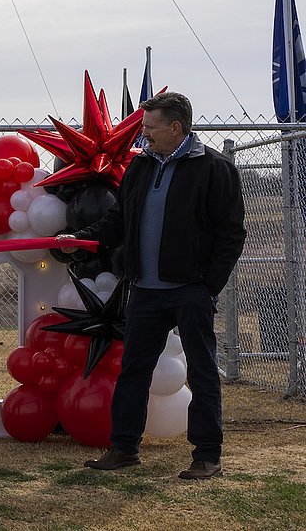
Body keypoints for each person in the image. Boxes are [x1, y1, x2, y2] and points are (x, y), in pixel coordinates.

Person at [64, 92, 245, 480]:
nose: (142, 134)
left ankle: (207, 455)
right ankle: (124, 447)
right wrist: (79, 238)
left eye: (149, 127)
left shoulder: (214, 169)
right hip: (144, 290)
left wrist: (207, 285)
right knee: (134, 370)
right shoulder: (141, 167)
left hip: (190, 290)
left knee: (202, 372)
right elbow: (118, 221)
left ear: (176, 127)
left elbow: (231, 234)